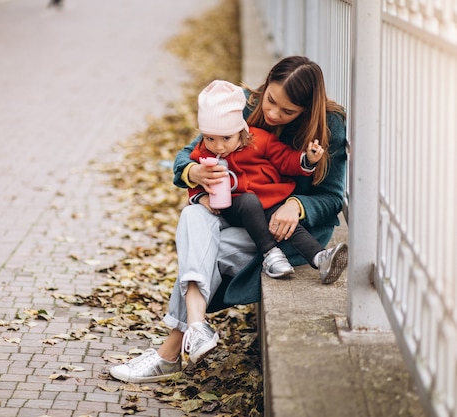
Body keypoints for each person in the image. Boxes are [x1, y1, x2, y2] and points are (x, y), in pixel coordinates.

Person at [109, 56, 347, 384]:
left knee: (209, 252)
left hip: (283, 229)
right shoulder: (244, 106)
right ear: (265, 88)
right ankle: (195, 326)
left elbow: (334, 197)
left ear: (306, 111)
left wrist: (297, 205)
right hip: (233, 210)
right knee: (194, 214)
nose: (273, 114)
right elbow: (187, 155)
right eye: (271, 100)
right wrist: (195, 173)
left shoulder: (328, 126)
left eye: (287, 111)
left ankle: (170, 353)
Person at [189, 80, 348, 282]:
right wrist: (200, 196)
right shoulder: (204, 151)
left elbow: (285, 159)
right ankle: (270, 254)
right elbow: (193, 178)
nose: (218, 146)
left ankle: (319, 257)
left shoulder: (259, 140)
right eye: (210, 138)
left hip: (264, 203)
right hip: (230, 206)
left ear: (240, 130)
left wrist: (307, 160)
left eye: (226, 138)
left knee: (280, 218)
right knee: (249, 202)